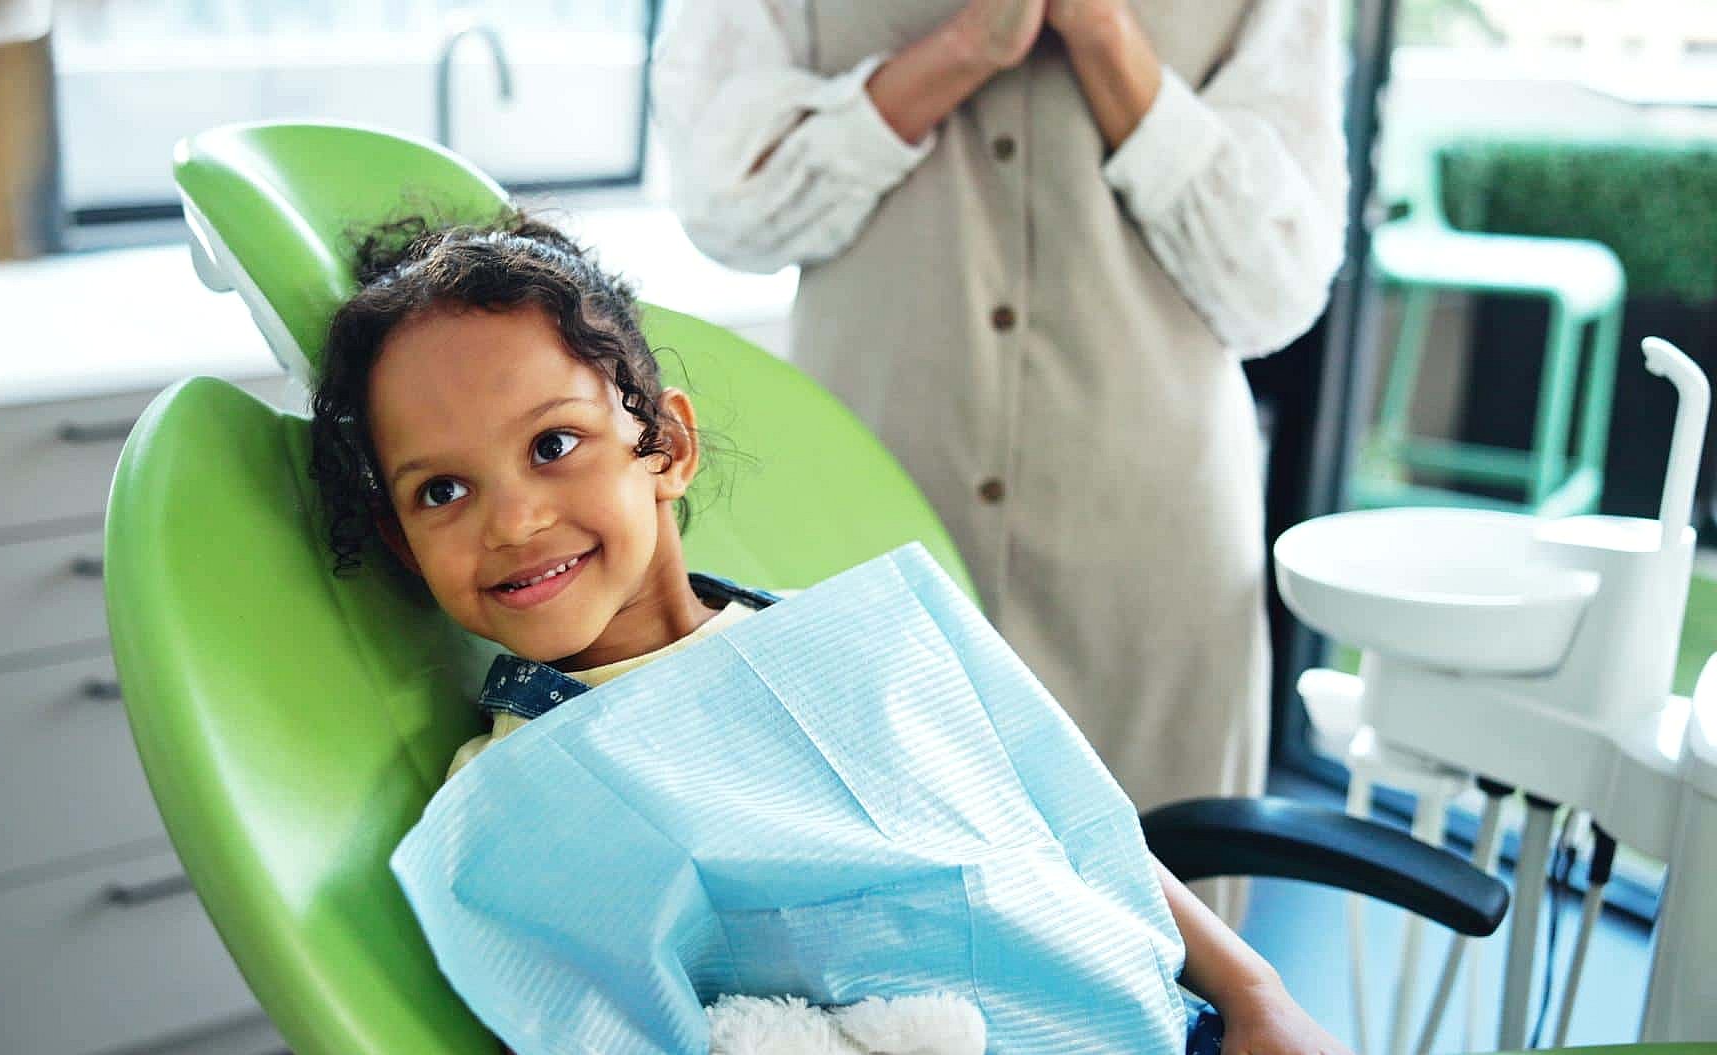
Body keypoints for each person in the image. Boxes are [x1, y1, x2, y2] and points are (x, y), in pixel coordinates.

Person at [307, 212, 1350, 1055]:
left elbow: (1072, 827)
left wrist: (1257, 995)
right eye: (439, 488)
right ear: (403, 544)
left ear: (663, 444)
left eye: (553, 442)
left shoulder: (860, 631)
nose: (510, 519)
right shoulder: (515, 805)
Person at [652, 0, 1348, 924]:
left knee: (1157, 933)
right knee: (863, 932)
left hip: (1148, 537)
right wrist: (967, 47)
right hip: (863, 511)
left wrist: (1104, 35)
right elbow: (726, 202)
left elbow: (1276, 283)